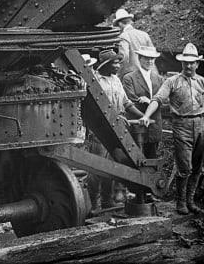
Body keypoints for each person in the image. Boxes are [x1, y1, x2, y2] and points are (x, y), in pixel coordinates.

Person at [140, 43, 204, 215]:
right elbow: (157, 99)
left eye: (192, 63)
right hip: (181, 126)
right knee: (185, 167)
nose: (189, 66)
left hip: (200, 125)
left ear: (197, 64)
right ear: (181, 64)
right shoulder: (172, 81)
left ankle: (190, 201)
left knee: (198, 167)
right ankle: (181, 202)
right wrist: (146, 116)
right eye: (186, 63)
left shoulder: (201, 82)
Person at [87, 48, 144, 209]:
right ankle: (94, 203)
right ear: (105, 64)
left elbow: (126, 103)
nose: (119, 65)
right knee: (95, 167)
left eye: (119, 62)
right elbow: (94, 108)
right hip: (100, 130)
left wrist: (142, 116)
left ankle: (106, 201)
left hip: (118, 129)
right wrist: (115, 117)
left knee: (113, 166)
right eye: (115, 62)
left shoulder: (116, 80)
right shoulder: (95, 82)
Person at [122, 45, 163, 158]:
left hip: (154, 124)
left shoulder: (159, 79)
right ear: (139, 59)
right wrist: (151, 103)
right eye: (146, 58)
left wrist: (150, 101)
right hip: (137, 123)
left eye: (152, 58)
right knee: (135, 157)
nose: (150, 61)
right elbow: (131, 99)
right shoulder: (129, 78)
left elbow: (163, 100)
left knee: (152, 157)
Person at [113, 8, 155, 78]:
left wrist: (119, 74)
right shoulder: (144, 34)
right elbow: (153, 53)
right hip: (148, 73)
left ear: (120, 24)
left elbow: (125, 57)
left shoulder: (123, 36)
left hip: (133, 75)